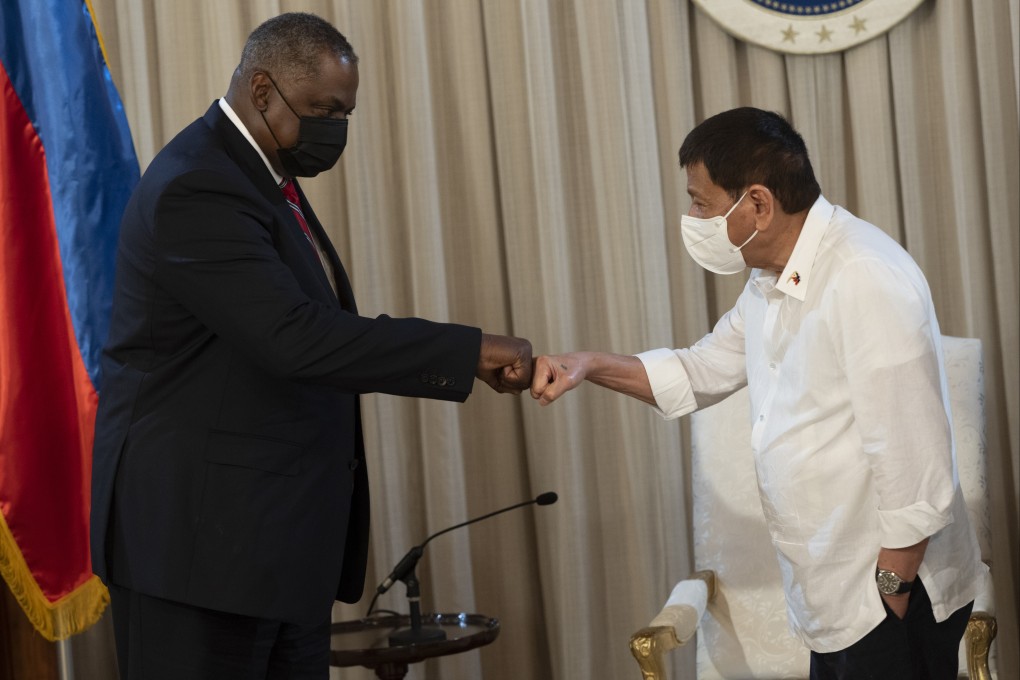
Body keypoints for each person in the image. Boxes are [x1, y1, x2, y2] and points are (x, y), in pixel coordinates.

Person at [90, 13, 532, 679]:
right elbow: (295, 338)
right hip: (196, 555)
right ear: (262, 90)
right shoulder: (198, 183)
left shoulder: (263, 174)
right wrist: (463, 351)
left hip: (270, 551)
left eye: (346, 113)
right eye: (324, 110)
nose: (335, 131)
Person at [531, 107, 985, 678]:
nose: (692, 217)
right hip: (835, 597)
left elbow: (915, 467)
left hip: (888, 598)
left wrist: (889, 597)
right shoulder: (773, 274)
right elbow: (701, 370)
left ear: (759, 204)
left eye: (702, 202)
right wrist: (589, 364)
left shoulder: (864, 275)